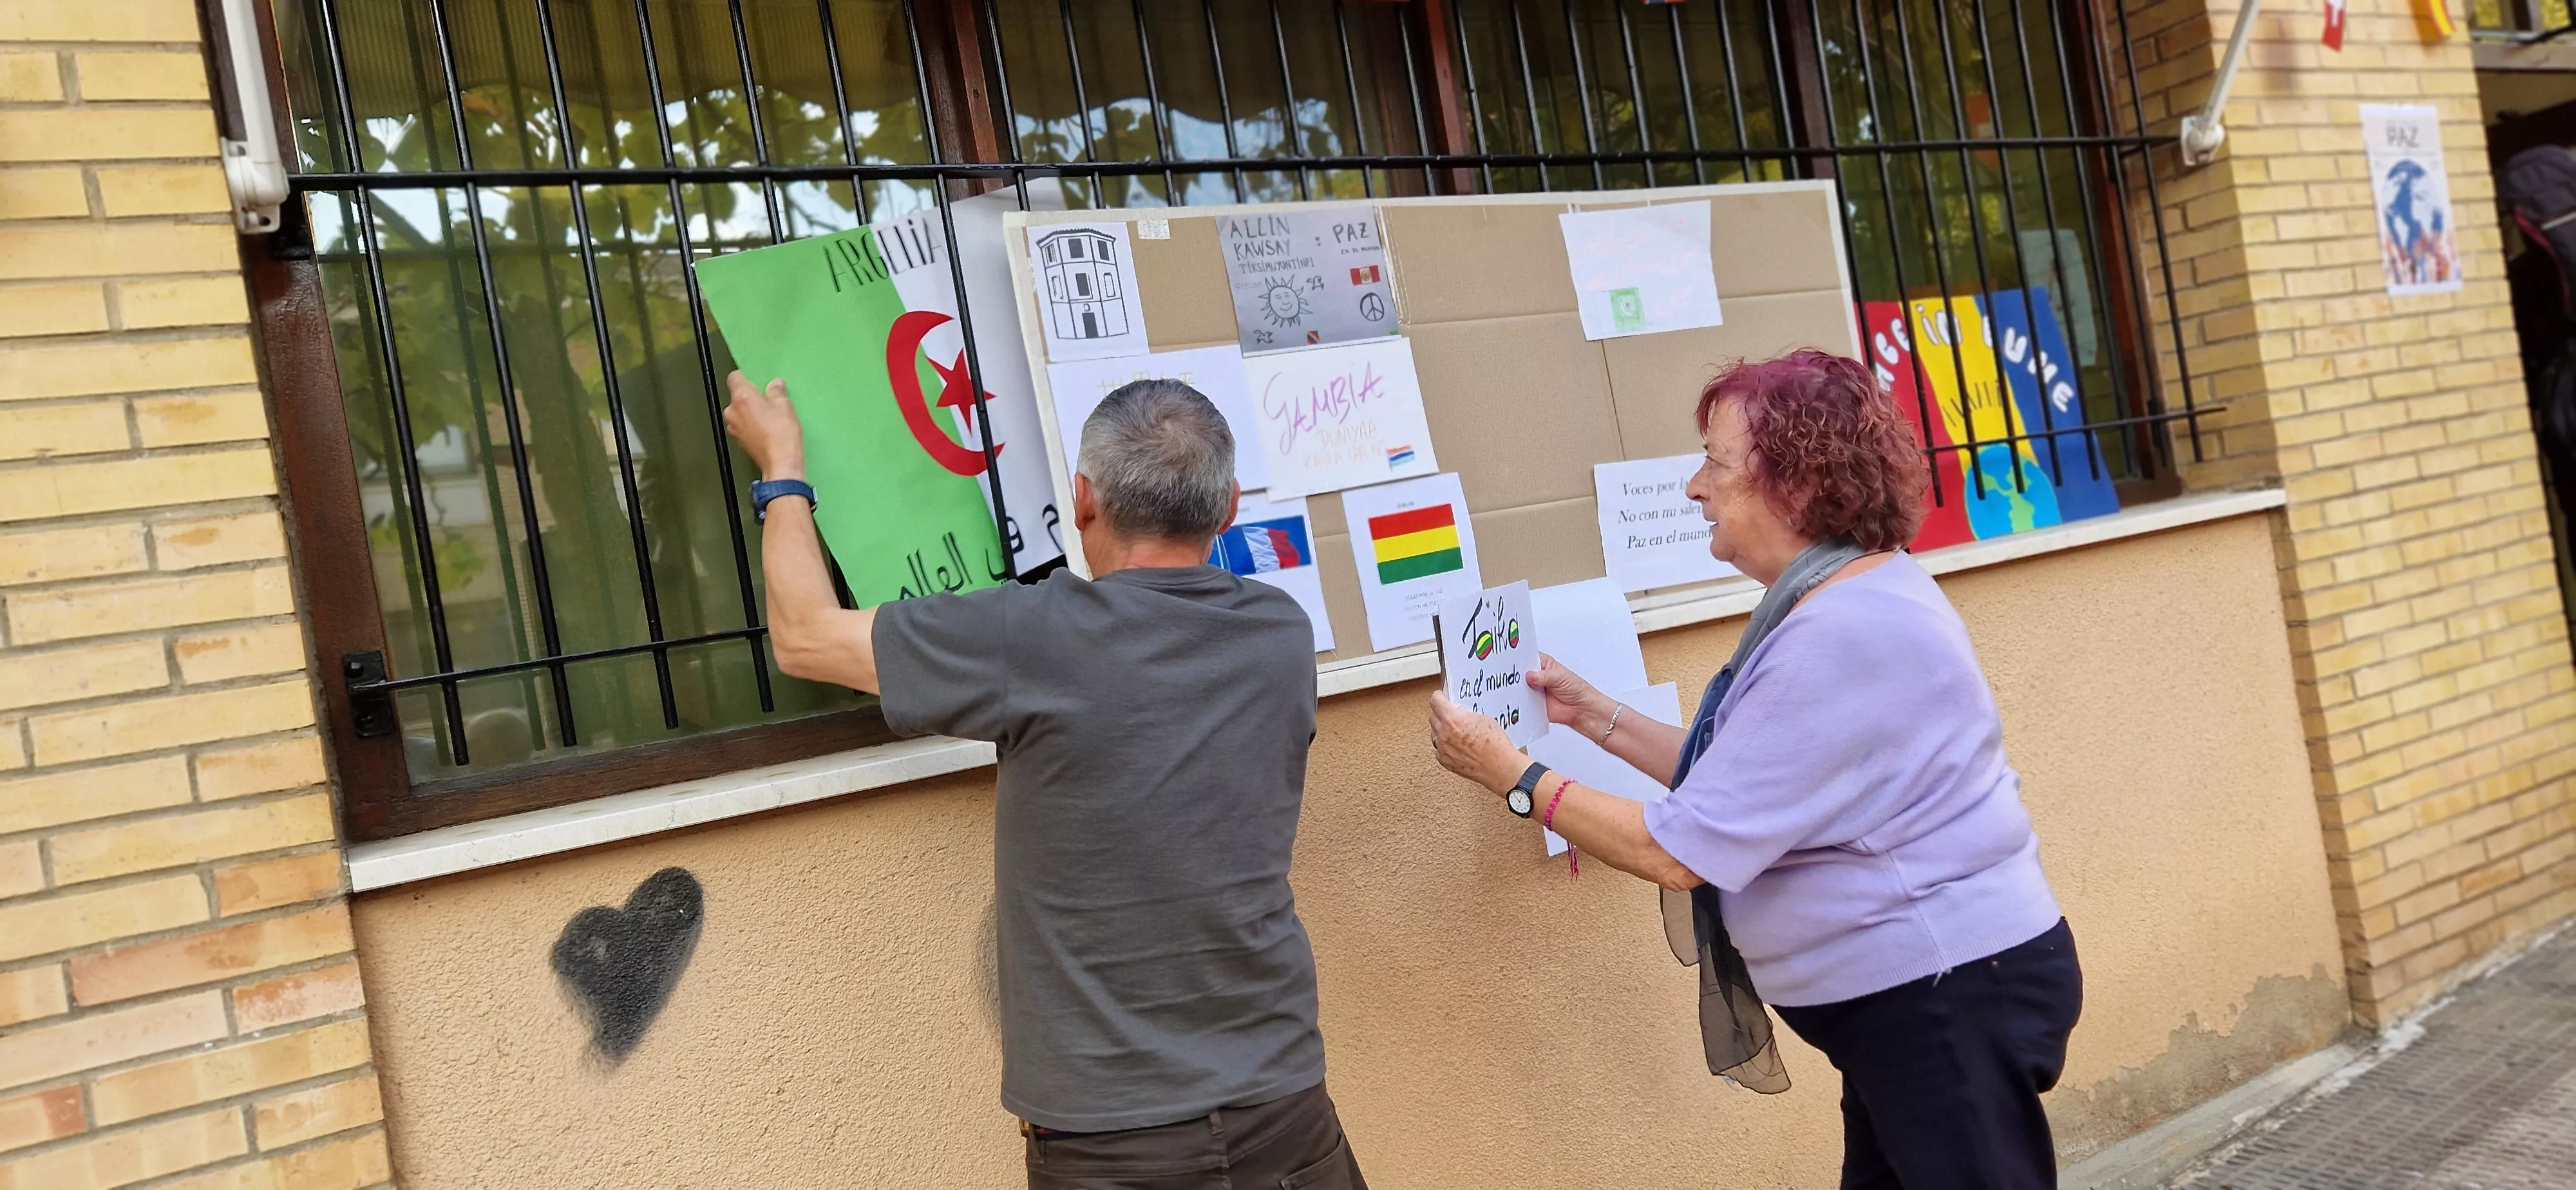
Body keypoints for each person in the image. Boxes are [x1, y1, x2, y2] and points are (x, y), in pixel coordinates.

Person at [1426, 349, 2080, 1189]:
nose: (1695, 486)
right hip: (1921, 1001)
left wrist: (1514, 775)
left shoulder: (1840, 632)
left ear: (1797, 486)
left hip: (1942, 999)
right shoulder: (1843, 597)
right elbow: (1740, 785)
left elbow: (1682, 849)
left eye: (1714, 461)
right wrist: (1593, 715)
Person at [723, 372, 1367, 1190]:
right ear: (1229, 507)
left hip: (1110, 1143)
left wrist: (781, 469)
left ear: (1084, 502)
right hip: (1286, 1110)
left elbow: (805, 641)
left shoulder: (1032, 639)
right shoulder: (1280, 631)